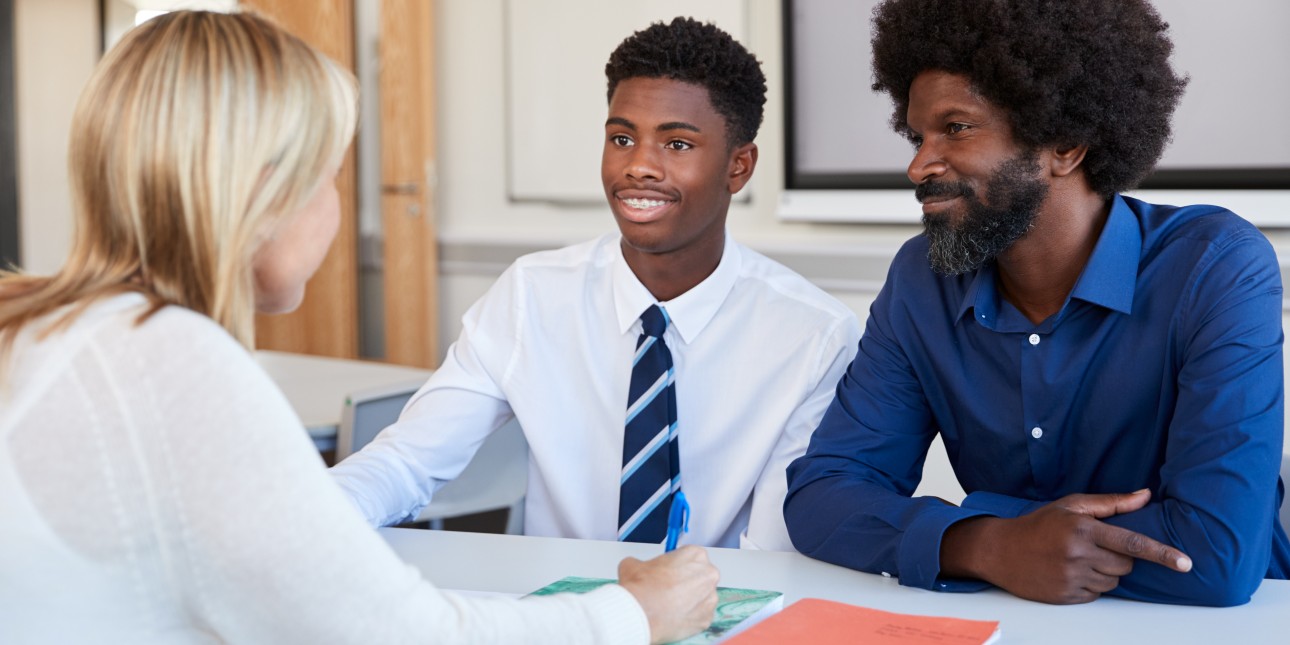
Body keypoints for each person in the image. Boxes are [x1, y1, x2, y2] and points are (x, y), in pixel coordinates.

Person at [0, 11, 718, 644]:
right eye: (331, 177)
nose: (335, 210)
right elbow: (399, 635)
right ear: (262, 190)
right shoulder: (172, 363)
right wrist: (632, 615)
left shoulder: (50, 331)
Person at [784, 0, 1290, 607]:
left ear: (1066, 144)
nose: (918, 164)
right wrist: (991, 546)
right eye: (918, 135)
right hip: (1012, 619)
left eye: (957, 128)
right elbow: (822, 496)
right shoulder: (921, 281)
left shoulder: (1216, 267)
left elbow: (1215, 556)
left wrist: (992, 534)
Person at [330, 17, 859, 551]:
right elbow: (407, 460)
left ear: (739, 167)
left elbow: (773, 552)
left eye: (677, 144)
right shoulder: (531, 296)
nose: (639, 167)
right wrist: (306, 521)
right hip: (560, 617)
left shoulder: (811, 337)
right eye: (622, 138)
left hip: (715, 617)